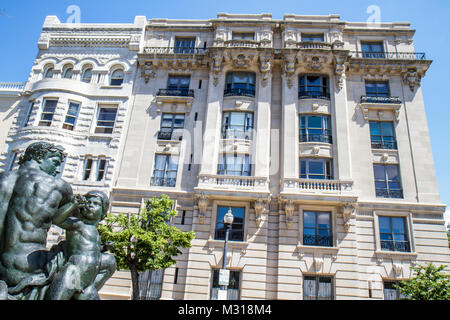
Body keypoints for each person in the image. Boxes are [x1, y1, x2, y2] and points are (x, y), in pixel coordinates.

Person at [0, 142, 78, 299]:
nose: (56, 170)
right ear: (40, 157)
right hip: (25, 268)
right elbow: (81, 221)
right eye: (55, 162)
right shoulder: (57, 185)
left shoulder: (3, 178)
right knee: (90, 262)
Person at [44, 190, 116, 300]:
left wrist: (104, 248)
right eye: (88, 202)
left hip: (87, 282)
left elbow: (89, 248)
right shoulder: (77, 224)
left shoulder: (95, 231)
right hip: (73, 273)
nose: (91, 205)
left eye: (95, 204)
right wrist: (73, 204)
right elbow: (57, 220)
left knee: (110, 260)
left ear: (103, 212)